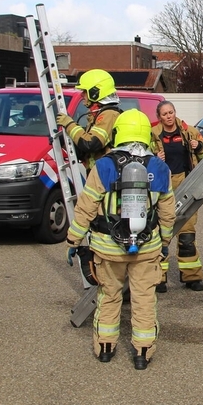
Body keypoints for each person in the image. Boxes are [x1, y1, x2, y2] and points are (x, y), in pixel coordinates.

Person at [66, 109, 175, 369]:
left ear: (118, 133)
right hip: (146, 248)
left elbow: (86, 206)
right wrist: (165, 242)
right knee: (144, 298)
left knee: (109, 295)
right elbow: (168, 213)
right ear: (147, 135)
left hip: (107, 248)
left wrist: (73, 241)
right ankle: (142, 352)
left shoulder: (103, 165)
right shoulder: (160, 167)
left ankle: (105, 347)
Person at [150, 101, 203, 292]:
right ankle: (159, 278)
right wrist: (154, 158)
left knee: (187, 235)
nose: (169, 116)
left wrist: (198, 146)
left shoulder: (188, 131)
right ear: (159, 117)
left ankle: (192, 277)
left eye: (171, 112)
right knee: (161, 234)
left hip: (186, 183)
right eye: (165, 114)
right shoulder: (153, 135)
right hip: (163, 186)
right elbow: (144, 161)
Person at [56, 69, 122, 168]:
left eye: (84, 91)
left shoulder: (109, 115)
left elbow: (90, 144)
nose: (82, 95)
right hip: (96, 174)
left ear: (95, 93)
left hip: (104, 176)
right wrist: (64, 139)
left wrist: (69, 124)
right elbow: (85, 152)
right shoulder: (97, 115)